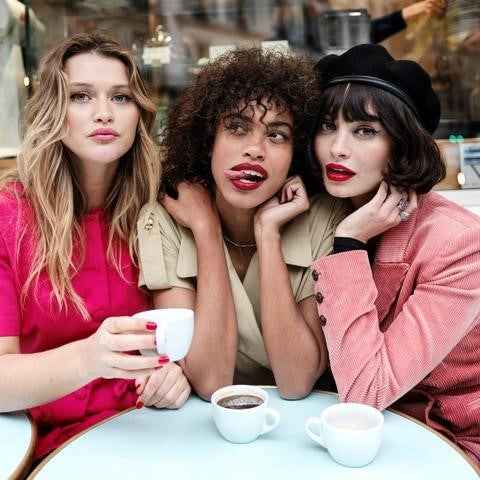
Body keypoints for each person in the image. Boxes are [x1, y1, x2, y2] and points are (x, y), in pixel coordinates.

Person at [0, 32, 190, 461]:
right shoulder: (8, 218)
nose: (104, 114)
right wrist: (89, 358)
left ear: (139, 115)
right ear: (53, 110)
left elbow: (174, 348)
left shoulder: (159, 210)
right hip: (51, 447)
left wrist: (174, 376)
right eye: (81, 96)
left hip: (155, 433)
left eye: (120, 98)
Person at [136, 48, 347, 401]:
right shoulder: (164, 219)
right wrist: (207, 232)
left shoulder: (325, 218)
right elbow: (211, 380)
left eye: (277, 134)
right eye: (236, 127)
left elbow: (296, 380)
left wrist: (267, 233)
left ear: (297, 153)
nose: (255, 149)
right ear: (208, 142)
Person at [309, 43, 480, 465]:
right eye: (328, 126)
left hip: (451, 438)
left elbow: (367, 391)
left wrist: (349, 242)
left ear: (401, 144)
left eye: (365, 131)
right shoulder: (316, 213)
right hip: (357, 433)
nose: (338, 148)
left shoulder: (457, 243)